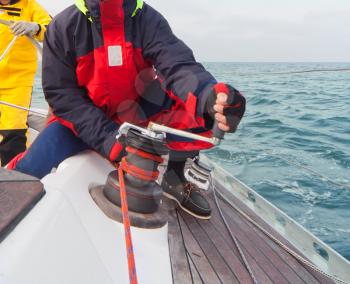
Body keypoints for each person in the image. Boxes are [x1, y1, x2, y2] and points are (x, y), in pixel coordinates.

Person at [9, 0, 246, 220]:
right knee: (29, 170)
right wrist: (110, 140)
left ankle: (174, 179)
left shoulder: (148, 20)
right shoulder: (62, 26)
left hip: (136, 112)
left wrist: (209, 96)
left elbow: (178, 66)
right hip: (81, 120)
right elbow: (62, 95)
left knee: (197, 113)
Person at [0, 0, 51, 166]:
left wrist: (34, 27)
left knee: (13, 131)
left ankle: (14, 178)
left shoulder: (30, 6)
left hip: (18, 82)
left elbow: (52, 30)